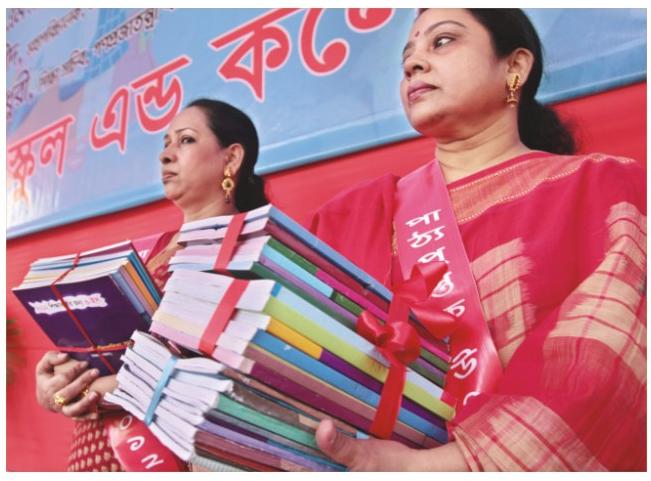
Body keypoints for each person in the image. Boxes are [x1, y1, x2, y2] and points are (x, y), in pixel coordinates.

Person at [310, 9, 646, 471]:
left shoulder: (602, 188)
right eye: (408, 55)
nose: (414, 63)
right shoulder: (347, 218)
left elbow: (605, 359)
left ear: (515, 66)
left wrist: (437, 468)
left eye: (442, 42)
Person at [34, 98, 268, 471]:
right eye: (165, 143)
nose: (166, 155)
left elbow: (204, 371)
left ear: (232, 157)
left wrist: (80, 390)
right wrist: (57, 381)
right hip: (95, 451)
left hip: (166, 457)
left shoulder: (246, 250)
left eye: (186, 140)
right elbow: (109, 354)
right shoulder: (151, 252)